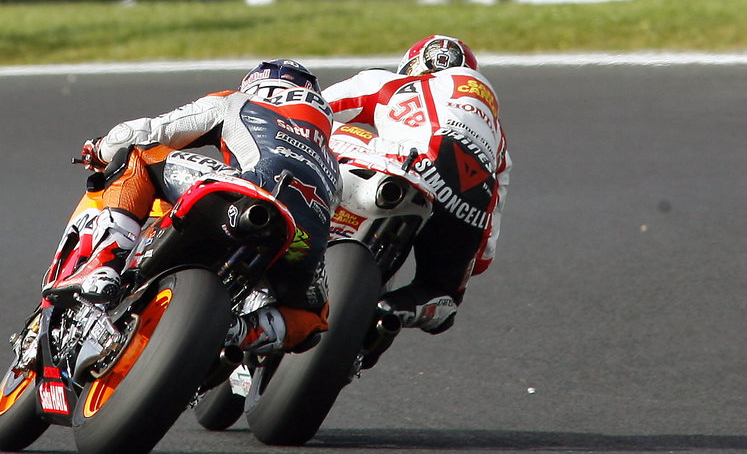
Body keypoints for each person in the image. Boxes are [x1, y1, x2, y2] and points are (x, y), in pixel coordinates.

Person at [46, 59, 339, 355]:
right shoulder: (332, 164)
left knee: (136, 153)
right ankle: (237, 330)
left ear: (260, 85)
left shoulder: (238, 102)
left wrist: (99, 149)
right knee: (312, 320)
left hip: (242, 197)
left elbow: (142, 132)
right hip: (301, 241)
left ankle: (104, 266)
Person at [321, 35, 510, 335]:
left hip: (406, 165)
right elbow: (486, 250)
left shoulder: (388, 83)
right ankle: (396, 311)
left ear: (413, 65)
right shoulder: (498, 140)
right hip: (470, 202)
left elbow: (312, 109)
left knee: (308, 130)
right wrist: (465, 254)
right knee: (442, 297)